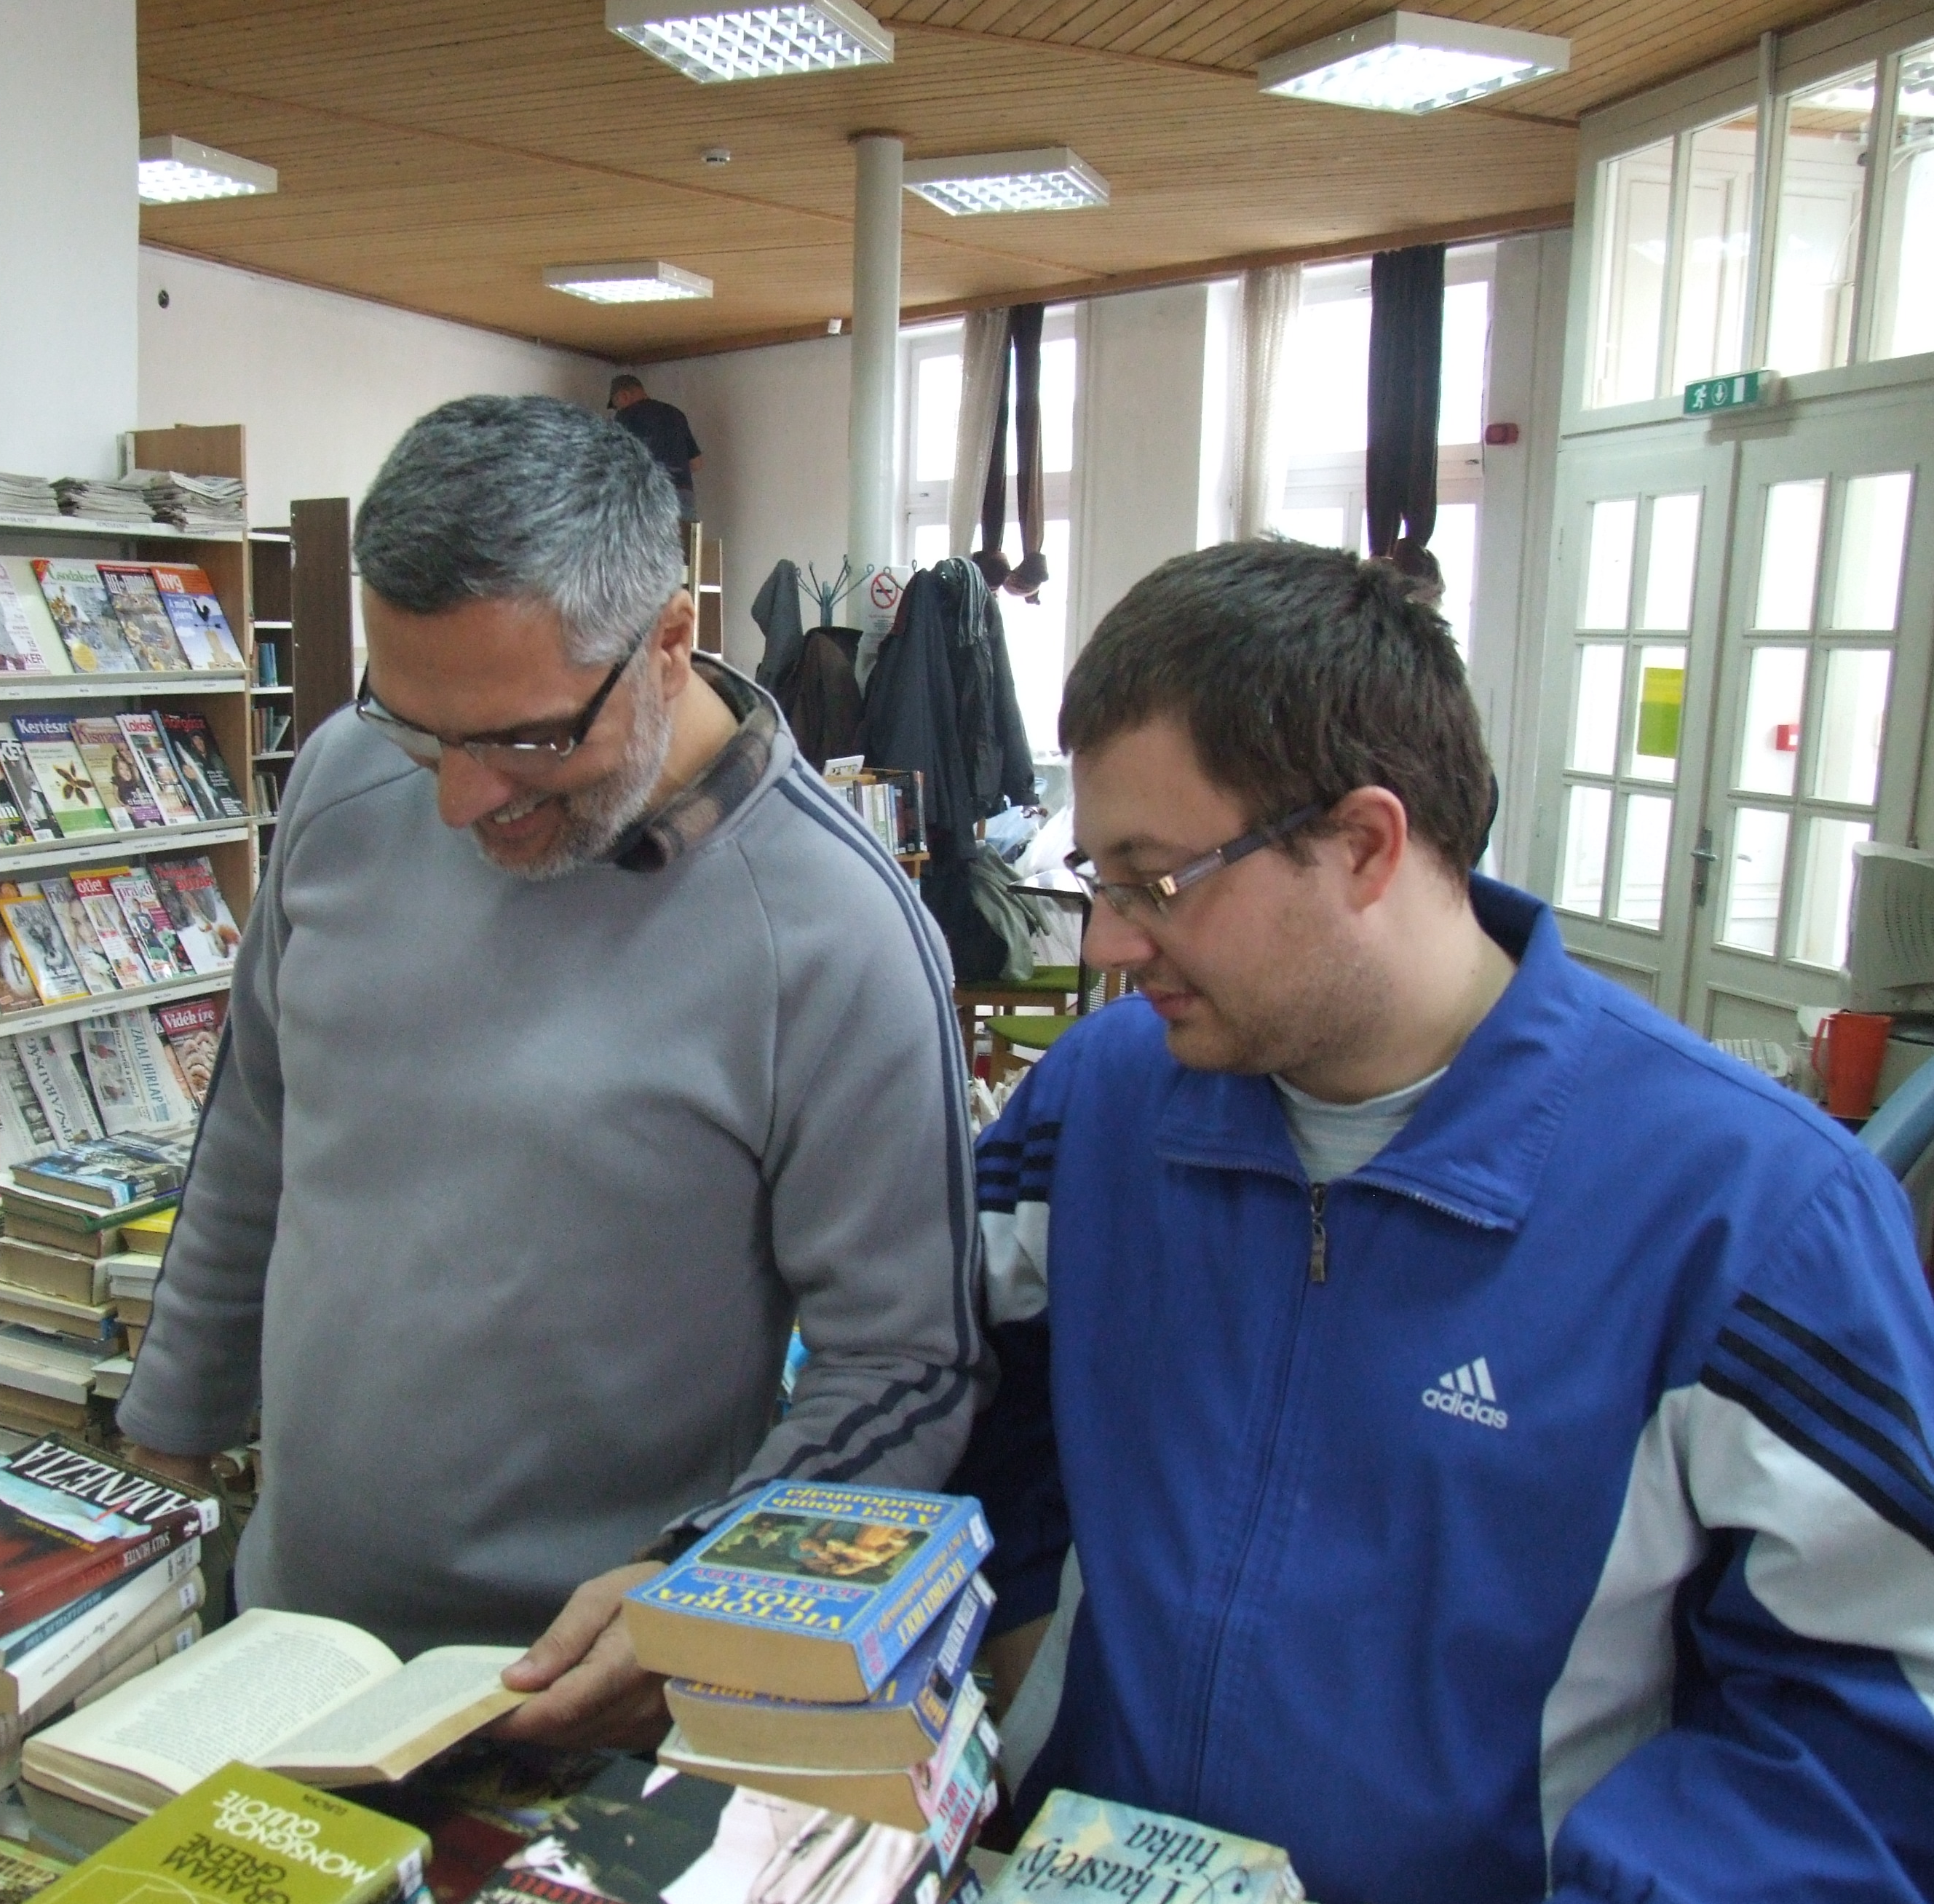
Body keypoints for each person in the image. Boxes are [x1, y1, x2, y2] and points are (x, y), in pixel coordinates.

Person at [954, 539, 1934, 1903]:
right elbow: (969, 1402)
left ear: (1365, 845)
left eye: (1153, 881)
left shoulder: (1751, 1217)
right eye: (1095, 878)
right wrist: (1020, 1667)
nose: (1109, 944)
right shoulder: (1096, 1109)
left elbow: (1859, 1738)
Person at [116, 394, 980, 1750]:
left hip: (582, 1716)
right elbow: (252, 1147)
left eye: (524, 739)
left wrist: (704, 1585)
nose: (457, 799)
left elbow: (905, 1361)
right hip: (282, 1643)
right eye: (418, 725)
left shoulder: (836, 933)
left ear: (670, 643)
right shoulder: (345, 782)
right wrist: (165, 1445)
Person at [606, 373, 702, 521]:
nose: (617, 410)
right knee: (686, 535)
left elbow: (615, 464)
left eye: (616, 404)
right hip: (683, 495)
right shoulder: (676, 414)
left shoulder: (625, 417)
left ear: (624, 396)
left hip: (649, 495)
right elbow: (697, 463)